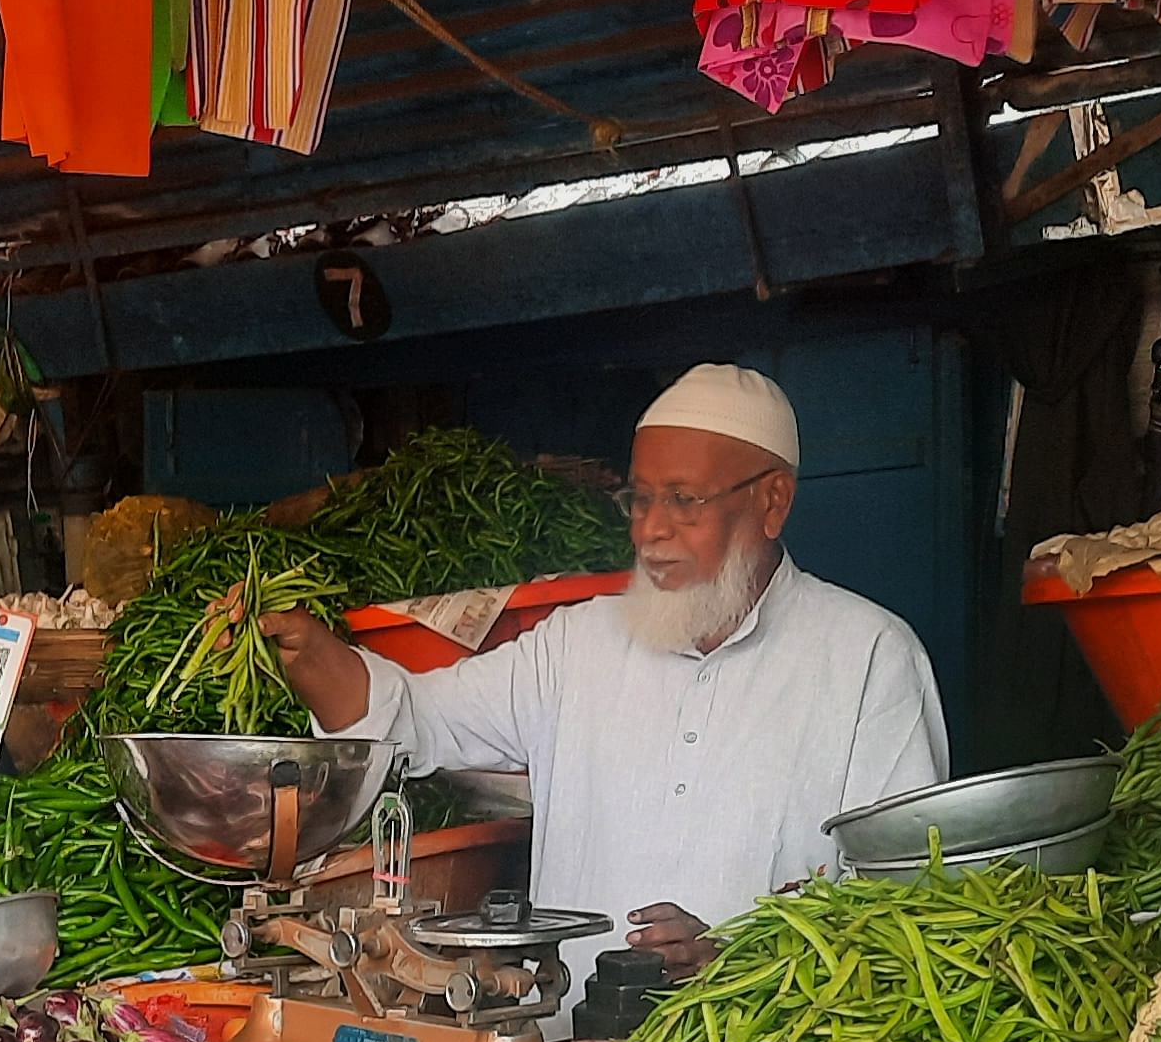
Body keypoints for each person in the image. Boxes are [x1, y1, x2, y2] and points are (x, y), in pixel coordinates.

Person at [257, 364, 945, 988]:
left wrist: (738, 956)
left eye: (684, 500)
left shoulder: (867, 656)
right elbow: (413, 719)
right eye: (640, 500)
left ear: (773, 502)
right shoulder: (576, 644)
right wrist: (312, 655)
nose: (651, 531)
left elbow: (906, 904)